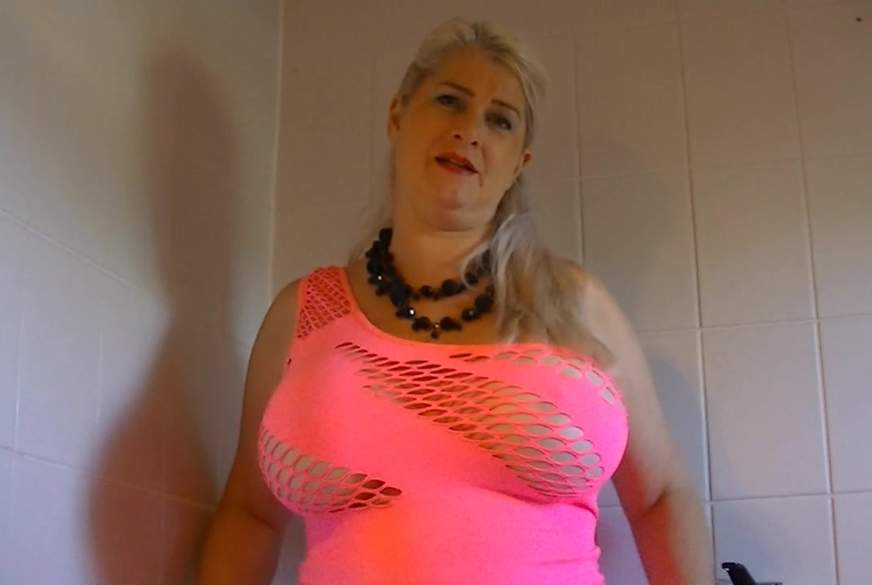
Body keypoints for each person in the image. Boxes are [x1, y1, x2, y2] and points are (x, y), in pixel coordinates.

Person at [198, 17, 714, 585]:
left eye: (500, 120)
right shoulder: (302, 315)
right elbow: (249, 515)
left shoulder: (577, 306)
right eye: (450, 100)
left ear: (519, 163)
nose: (469, 130)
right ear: (398, 116)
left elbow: (660, 497)